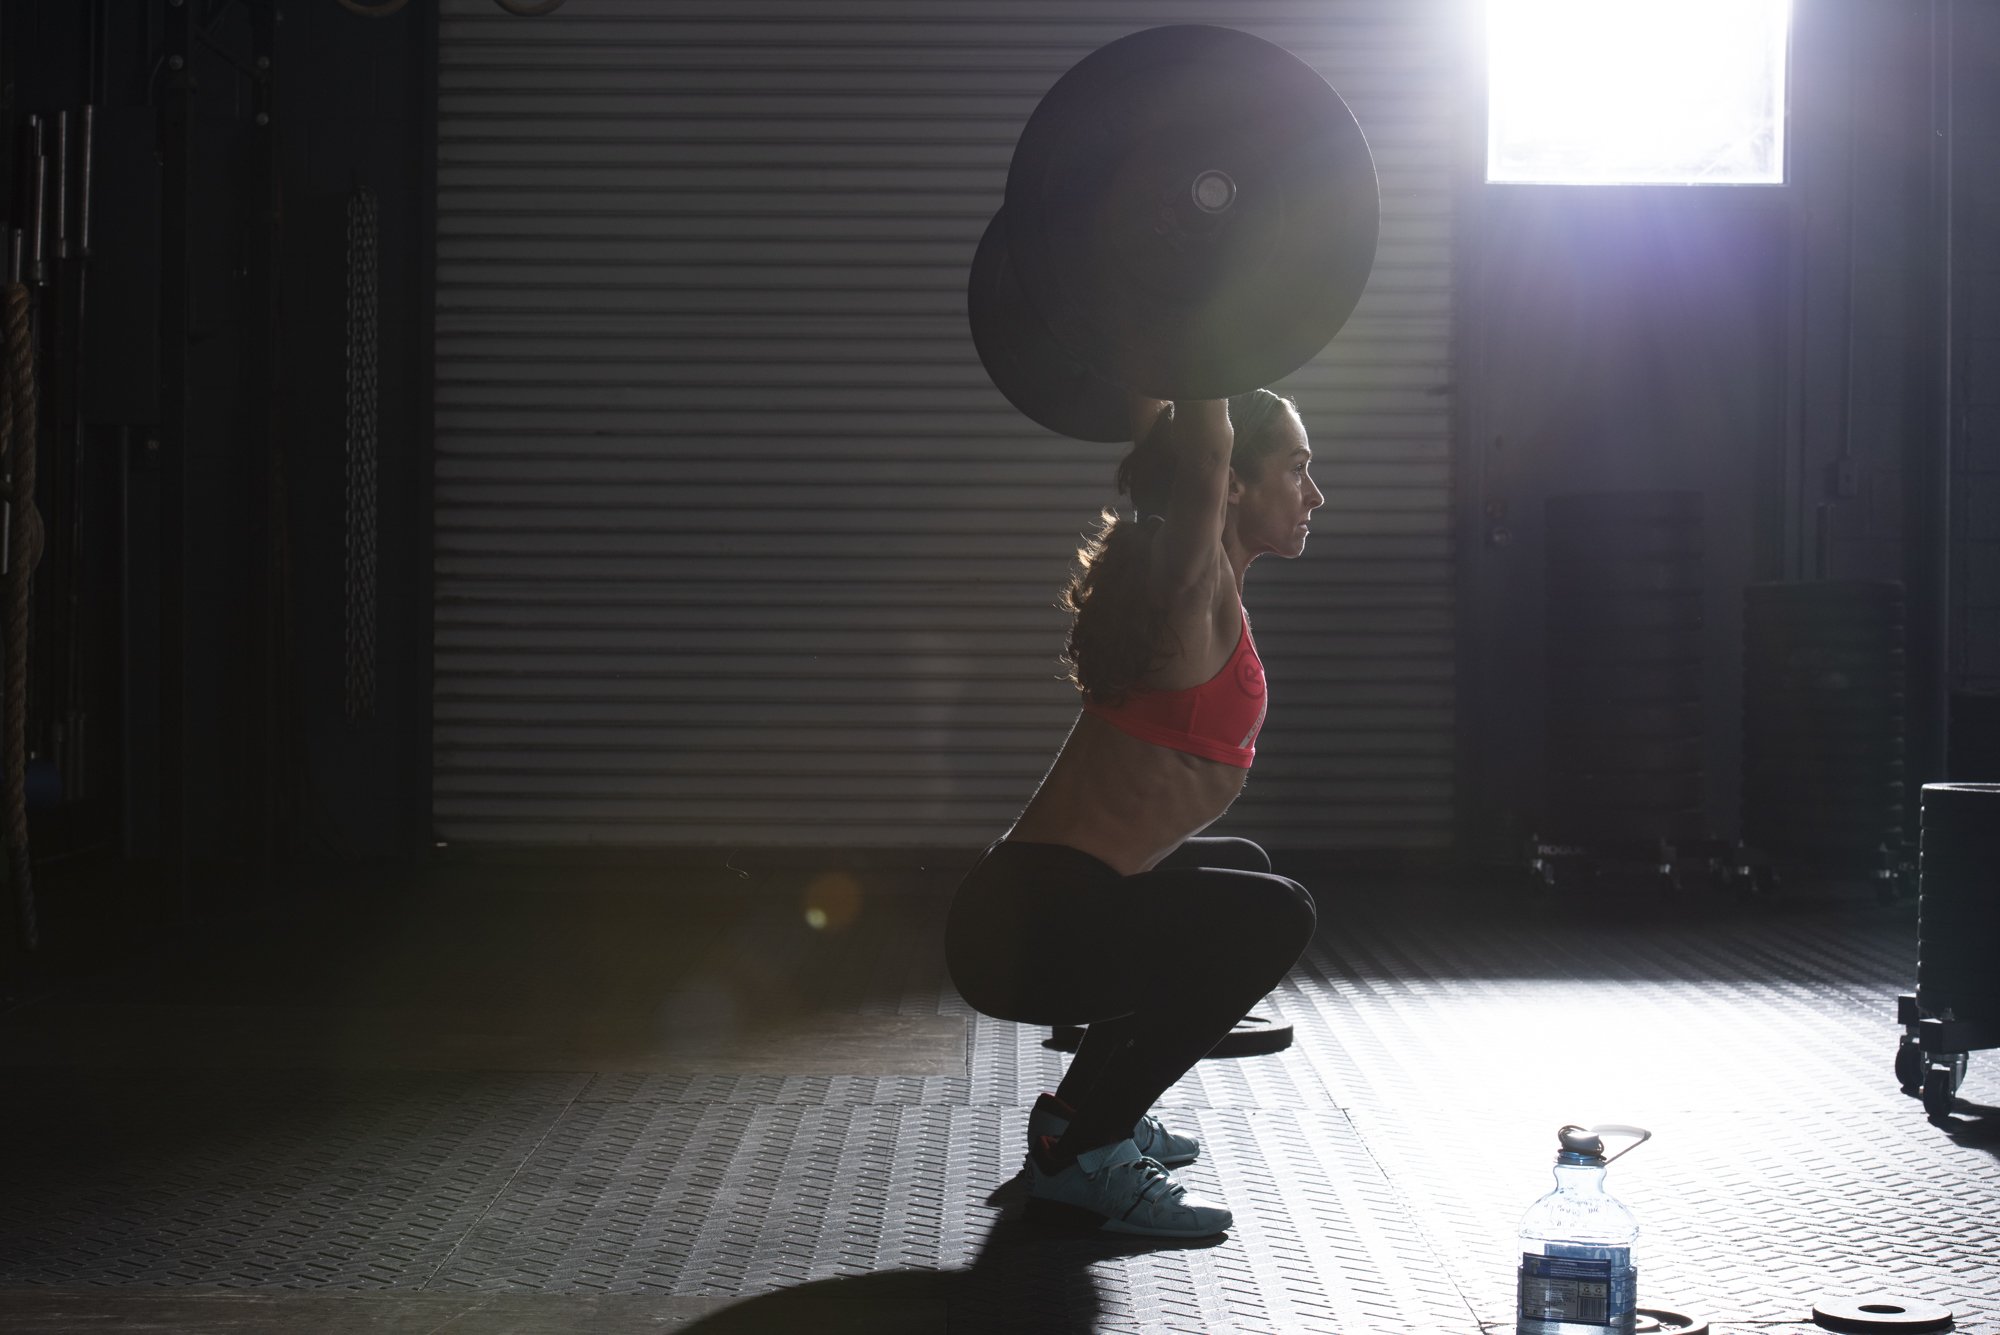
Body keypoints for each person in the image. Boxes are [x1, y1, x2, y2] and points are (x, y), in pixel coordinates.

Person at [944, 389, 1323, 1238]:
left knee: (1249, 869)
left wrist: (1160, 349)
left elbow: (1159, 413)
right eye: (1296, 468)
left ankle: (1072, 1117)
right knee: (1278, 915)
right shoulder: (1189, 584)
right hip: (1035, 927)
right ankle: (1091, 1153)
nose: (1314, 492)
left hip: (1040, 909)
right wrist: (1214, 346)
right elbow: (1196, 445)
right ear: (1229, 482)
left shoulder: (1195, 578)